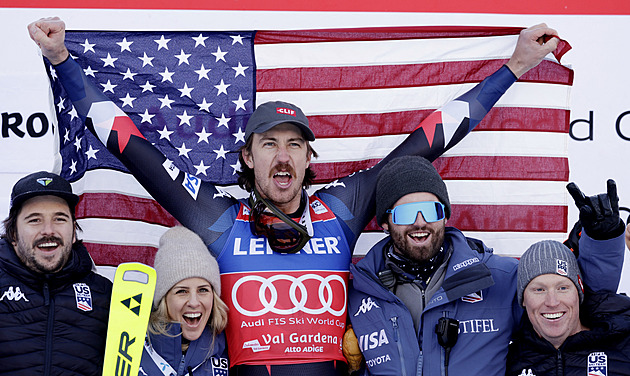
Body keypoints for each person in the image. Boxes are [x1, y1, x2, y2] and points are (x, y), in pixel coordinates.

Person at [29, 17, 563, 376]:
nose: (282, 157)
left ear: (310, 158)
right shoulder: (220, 217)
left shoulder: (342, 210)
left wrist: (513, 68)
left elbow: (428, 140)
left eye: (294, 145)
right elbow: (130, 145)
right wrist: (62, 61)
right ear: (247, 157)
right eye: (269, 145)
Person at [346, 156, 625, 376]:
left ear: (445, 217)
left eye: (432, 211)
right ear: (384, 223)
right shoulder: (360, 288)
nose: (420, 222)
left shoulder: (498, 277)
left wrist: (602, 240)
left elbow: (578, 297)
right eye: (406, 213)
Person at [0, 171, 112, 375]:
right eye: (34, 220)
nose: (48, 230)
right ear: (13, 233)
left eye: (60, 219)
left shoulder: (105, 295)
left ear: (74, 231)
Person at [506, 240, 630, 376]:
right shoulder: (507, 361)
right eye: (539, 290)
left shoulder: (623, 346)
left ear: (578, 293)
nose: (552, 302)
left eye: (563, 288)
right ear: (523, 299)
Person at [139, 226, 228, 376]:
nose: (194, 302)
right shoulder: (131, 346)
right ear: (164, 299)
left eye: (203, 290)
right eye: (182, 291)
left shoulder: (228, 347)